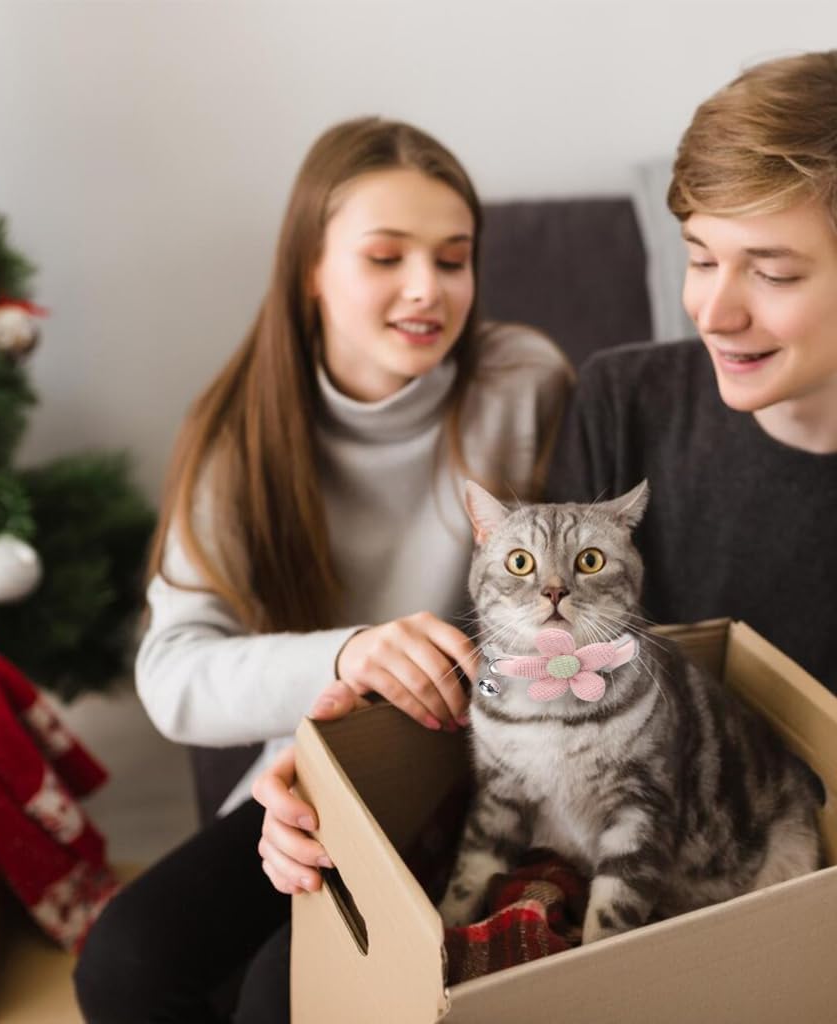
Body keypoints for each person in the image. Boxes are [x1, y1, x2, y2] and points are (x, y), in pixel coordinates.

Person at [254, 49, 837, 913]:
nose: (712, 311)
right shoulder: (623, 396)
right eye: (701, 258)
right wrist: (344, 754)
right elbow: (529, 664)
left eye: (774, 272)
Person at [72, 116, 571, 1023]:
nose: (427, 289)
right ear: (310, 269)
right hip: (330, 777)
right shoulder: (237, 434)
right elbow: (175, 674)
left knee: (283, 992)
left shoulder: (525, 383)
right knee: (124, 961)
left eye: (453, 259)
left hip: (497, 773)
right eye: (386, 257)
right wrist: (347, 660)